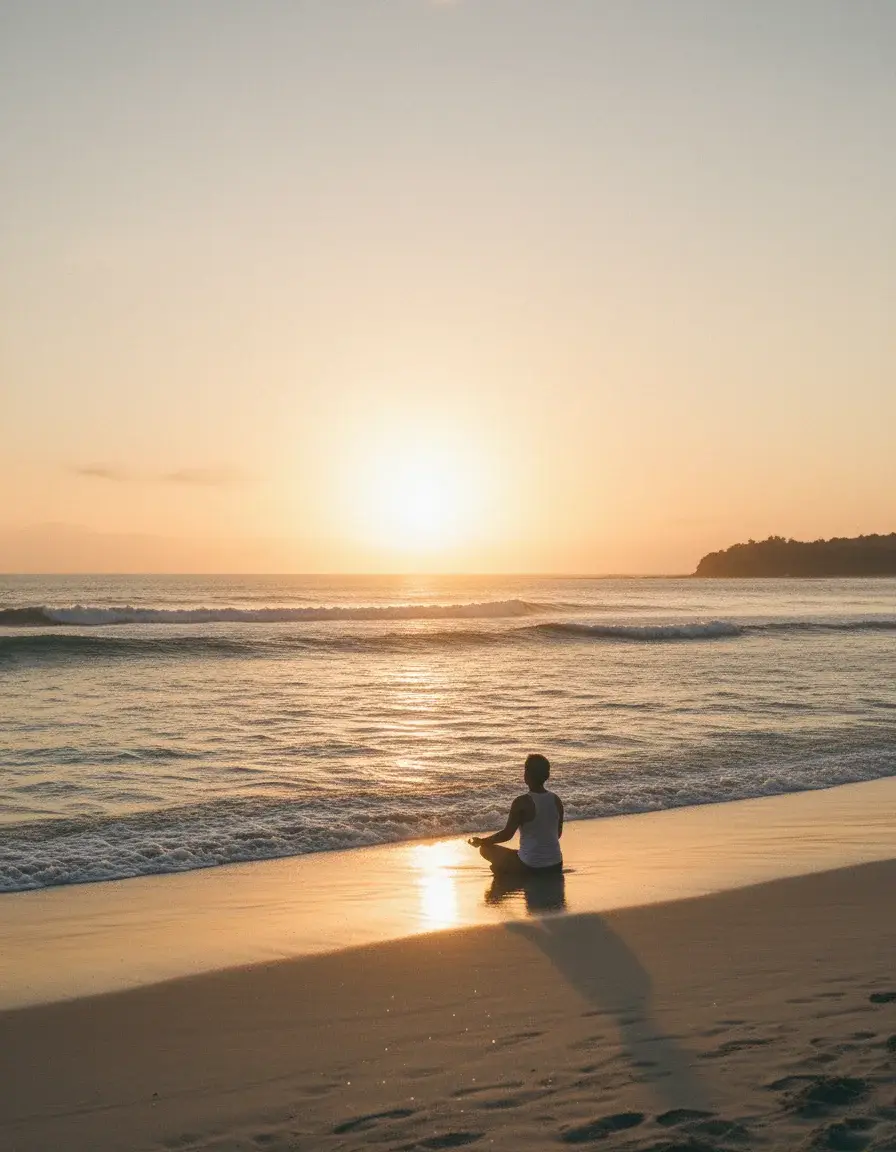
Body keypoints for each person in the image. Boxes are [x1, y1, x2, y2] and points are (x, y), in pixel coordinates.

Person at [468, 753, 564, 876]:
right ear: (547, 775)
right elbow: (558, 834)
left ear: (527, 775)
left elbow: (507, 835)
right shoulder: (556, 800)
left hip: (530, 867)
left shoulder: (522, 802)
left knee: (485, 849)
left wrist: (483, 841)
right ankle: (507, 867)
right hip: (555, 866)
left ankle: (506, 871)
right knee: (519, 853)